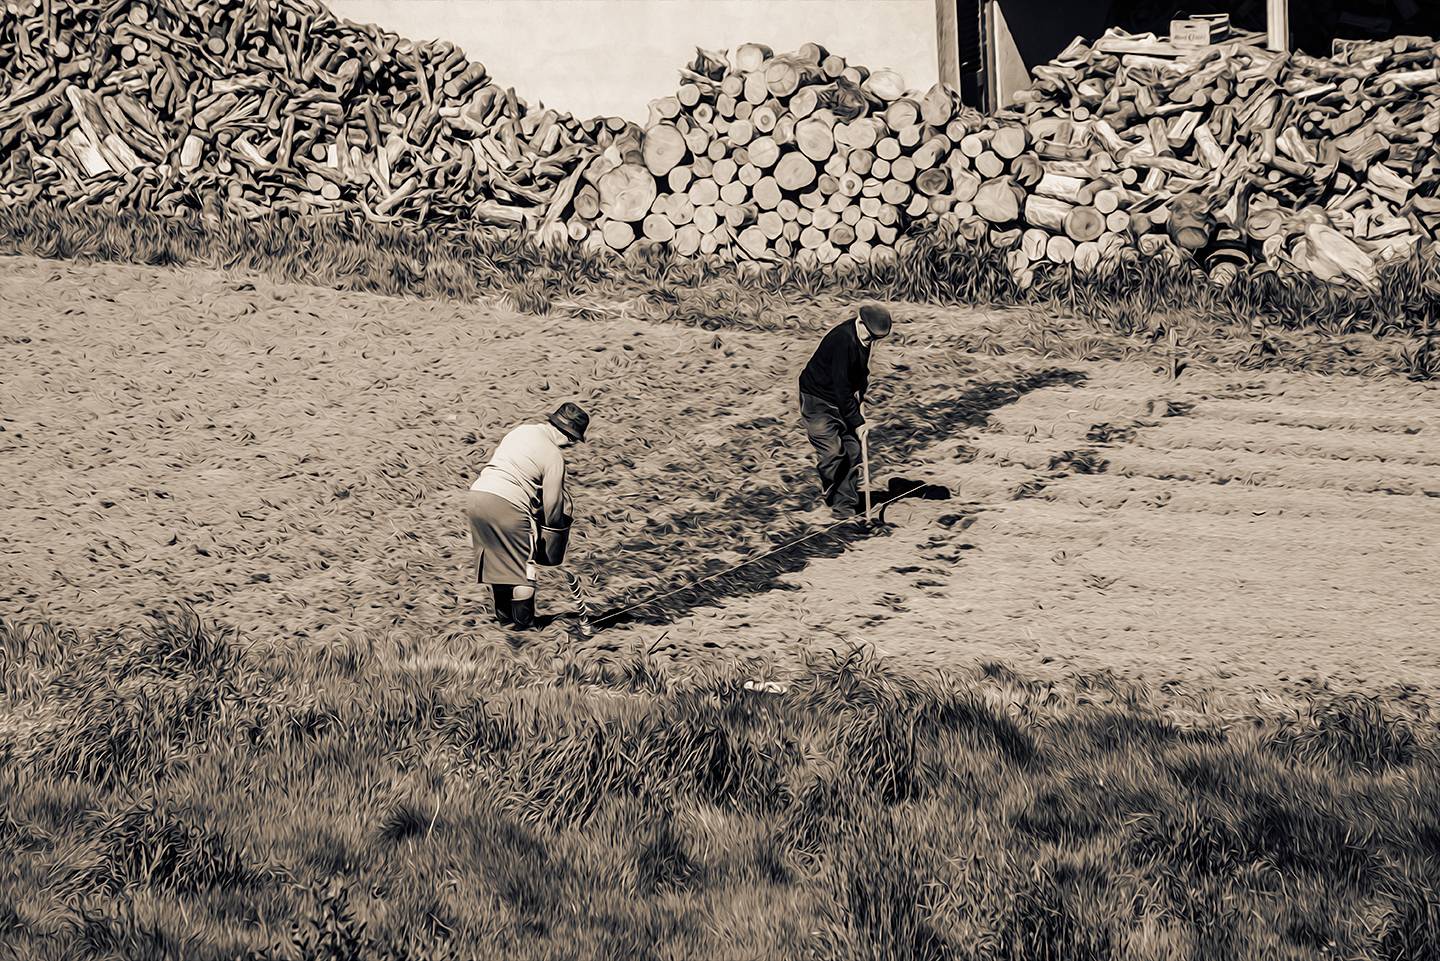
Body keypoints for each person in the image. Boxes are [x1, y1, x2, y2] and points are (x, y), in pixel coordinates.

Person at [465, 402, 589, 629]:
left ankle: (506, 623)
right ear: (570, 436)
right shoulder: (554, 456)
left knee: (499, 564)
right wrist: (552, 531)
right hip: (509, 503)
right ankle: (524, 627)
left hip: (478, 497)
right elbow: (553, 506)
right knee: (524, 569)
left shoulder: (521, 431)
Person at [797, 303, 893, 518]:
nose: (871, 342)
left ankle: (844, 508)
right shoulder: (842, 340)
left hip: (842, 400)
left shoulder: (863, 337)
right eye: (870, 337)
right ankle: (831, 489)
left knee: (853, 450)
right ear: (860, 322)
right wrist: (858, 422)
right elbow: (841, 387)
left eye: (875, 339)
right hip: (817, 399)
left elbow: (859, 371)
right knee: (832, 452)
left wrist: (862, 391)